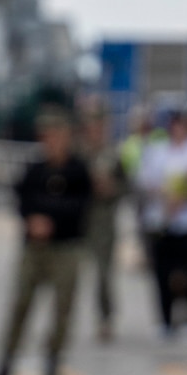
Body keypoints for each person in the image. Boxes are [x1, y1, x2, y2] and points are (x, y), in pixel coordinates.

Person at [0, 107, 93, 375]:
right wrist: (32, 220)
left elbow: (81, 206)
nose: (52, 141)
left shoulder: (77, 170)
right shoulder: (35, 169)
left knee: (62, 308)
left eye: (57, 135)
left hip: (66, 248)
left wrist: (50, 219)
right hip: (34, 248)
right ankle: (7, 359)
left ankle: (52, 359)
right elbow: (21, 199)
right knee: (20, 304)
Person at [138, 109, 187, 336]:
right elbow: (146, 181)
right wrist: (167, 196)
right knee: (163, 273)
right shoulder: (157, 151)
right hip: (163, 220)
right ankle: (165, 321)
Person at [79, 101, 126, 343]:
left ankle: (105, 319)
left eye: (100, 125)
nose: (96, 129)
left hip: (104, 223)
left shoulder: (113, 153)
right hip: (78, 221)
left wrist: (112, 189)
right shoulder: (78, 153)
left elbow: (126, 185)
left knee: (104, 276)